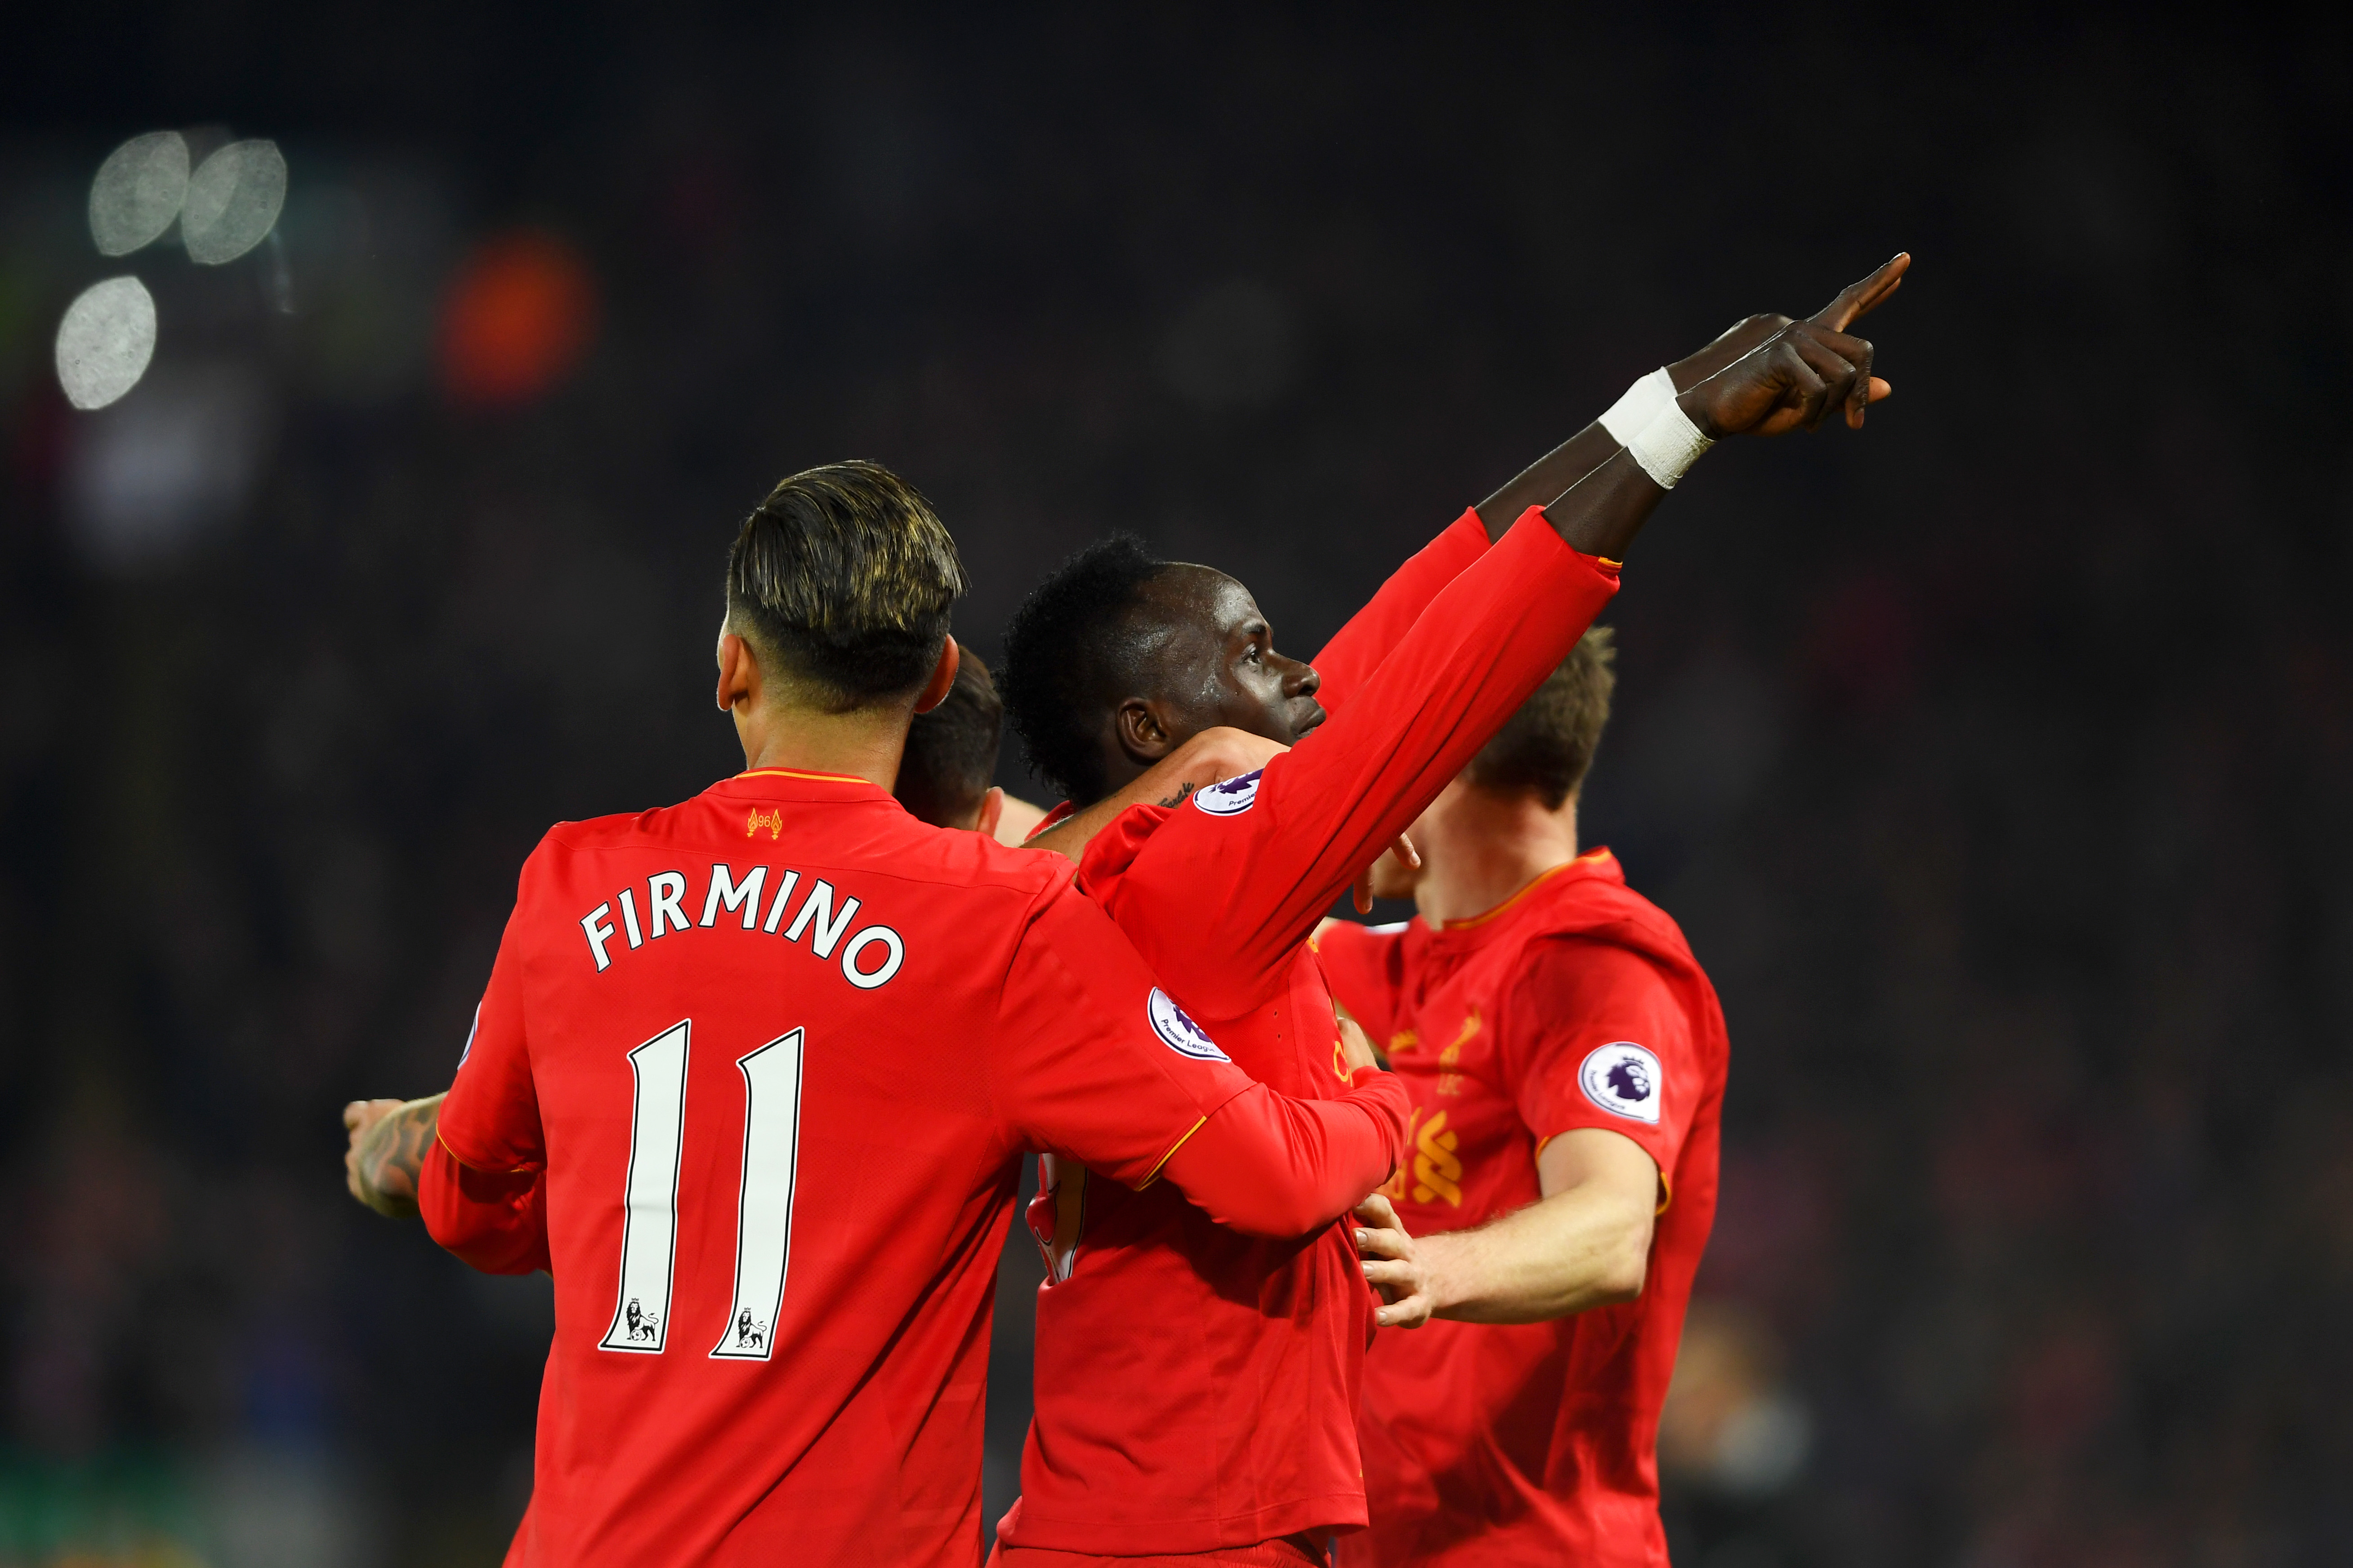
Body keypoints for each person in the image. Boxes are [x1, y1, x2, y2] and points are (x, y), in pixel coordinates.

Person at [987, 258, 1906, 1565]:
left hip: (1124, 1522)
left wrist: (1661, 404)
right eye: (1252, 655)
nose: (1303, 667)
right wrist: (1684, 420)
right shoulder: (1211, 872)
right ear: (1150, 728)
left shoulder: (1128, 875)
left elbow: (1416, 610)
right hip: (1187, 1539)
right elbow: (1437, 674)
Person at [353, 460, 1419, 1568]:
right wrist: (1375, 1097)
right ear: (935, 681)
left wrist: (393, 1148)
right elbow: (1273, 1176)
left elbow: (470, 1206)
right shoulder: (996, 924)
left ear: (730, 668)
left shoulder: (571, 882)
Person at [1315, 628, 1724, 1567]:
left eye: (1373, 747)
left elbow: (1610, 1228)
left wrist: (1423, 1272)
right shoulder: (1368, 965)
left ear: (1432, 760)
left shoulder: (1600, 965)